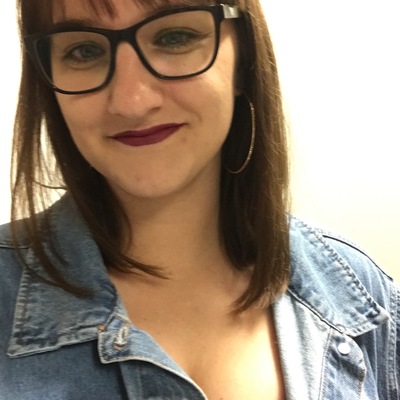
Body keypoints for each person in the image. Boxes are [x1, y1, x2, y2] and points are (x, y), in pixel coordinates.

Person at [0, 0, 398, 398]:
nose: (132, 101)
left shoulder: (364, 297)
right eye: (84, 51)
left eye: (175, 37)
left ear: (242, 59)